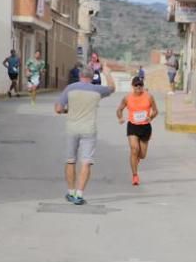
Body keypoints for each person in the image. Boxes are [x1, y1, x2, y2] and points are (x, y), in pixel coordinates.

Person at [54, 66, 116, 205]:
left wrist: (67, 111)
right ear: (92, 77)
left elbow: (58, 108)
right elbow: (112, 88)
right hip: (89, 129)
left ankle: (70, 192)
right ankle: (79, 195)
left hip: (72, 128)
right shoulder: (97, 89)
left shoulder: (70, 88)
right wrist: (107, 73)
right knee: (86, 162)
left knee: (70, 160)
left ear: (80, 75)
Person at [116, 75, 159, 186]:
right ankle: (135, 176)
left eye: (141, 85)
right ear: (133, 86)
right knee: (134, 149)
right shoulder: (127, 98)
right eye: (136, 85)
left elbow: (155, 111)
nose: (139, 87)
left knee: (143, 155)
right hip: (133, 126)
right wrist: (120, 117)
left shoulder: (149, 97)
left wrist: (151, 117)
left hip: (145, 127)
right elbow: (119, 109)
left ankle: (136, 159)